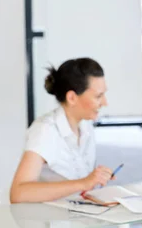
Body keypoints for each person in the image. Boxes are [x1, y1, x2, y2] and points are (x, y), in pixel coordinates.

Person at [10, 57, 113, 203]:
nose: (105, 103)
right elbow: (18, 194)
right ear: (72, 97)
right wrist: (84, 183)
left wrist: (96, 179)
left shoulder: (86, 126)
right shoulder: (45, 130)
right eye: (98, 96)